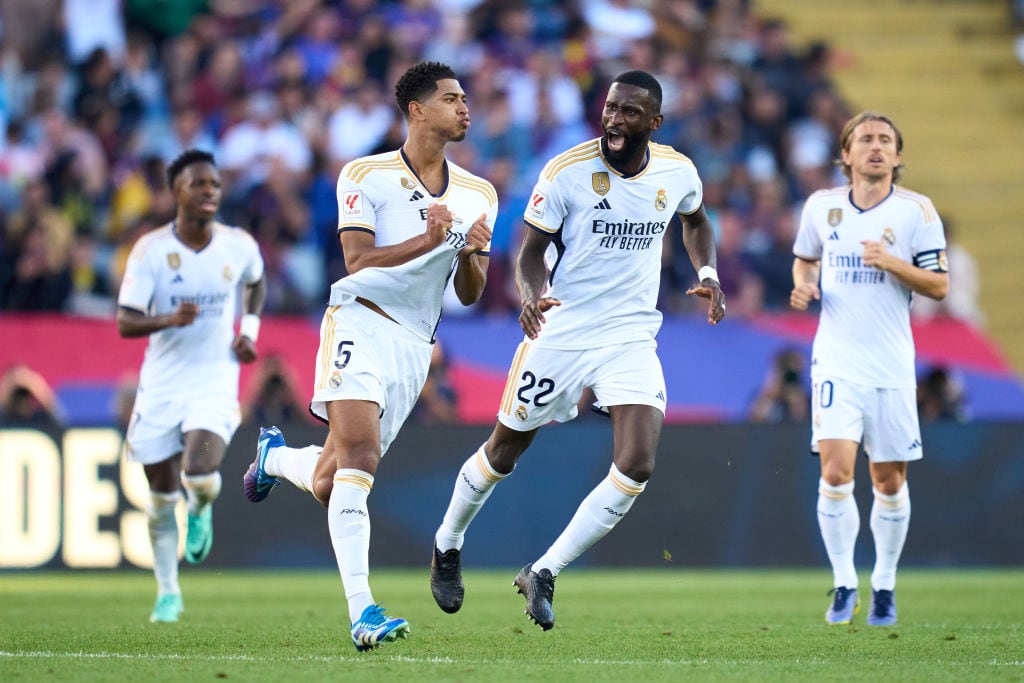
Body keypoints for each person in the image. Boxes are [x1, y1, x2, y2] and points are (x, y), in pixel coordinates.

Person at [428, 70, 725, 630]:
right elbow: (529, 250)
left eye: (629, 112)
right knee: (503, 454)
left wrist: (707, 270)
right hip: (561, 329)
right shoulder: (566, 171)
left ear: (654, 123)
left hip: (631, 334)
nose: (614, 119)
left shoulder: (677, 170)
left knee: (637, 464)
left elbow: (696, 219)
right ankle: (447, 543)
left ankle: (543, 571)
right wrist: (530, 295)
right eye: (610, 108)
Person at [242, 61, 495, 651]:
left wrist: (469, 255)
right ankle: (364, 613)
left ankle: (276, 459)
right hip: (360, 319)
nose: (465, 108)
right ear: (417, 110)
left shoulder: (479, 193)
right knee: (361, 455)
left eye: (466, 99)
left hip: (415, 345)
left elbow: (469, 293)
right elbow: (356, 261)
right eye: (452, 99)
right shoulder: (366, 174)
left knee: (335, 480)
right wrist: (428, 241)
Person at [789, 111, 949, 627]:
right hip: (836, 361)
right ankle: (842, 582)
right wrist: (805, 283)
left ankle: (883, 583)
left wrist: (893, 263)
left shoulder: (917, 212)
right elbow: (806, 258)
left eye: (885, 140)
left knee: (887, 481)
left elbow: (939, 286)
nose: (875, 147)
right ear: (846, 155)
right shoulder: (822, 206)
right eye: (865, 140)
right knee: (835, 472)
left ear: (898, 157)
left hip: (892, 365)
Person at [116, 148, 266, 624]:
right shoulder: (152, 250)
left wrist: (249, 332)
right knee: (160, 497)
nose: (209, 191)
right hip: (161, 384)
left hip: (215, 378)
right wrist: (169, 319)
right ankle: (167, 592)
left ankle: (200, 505)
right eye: (198, 183)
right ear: (175, 191)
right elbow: (125, 321)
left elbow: (256, 283)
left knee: (199, 472)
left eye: (215, 184)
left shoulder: (237, 244)